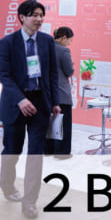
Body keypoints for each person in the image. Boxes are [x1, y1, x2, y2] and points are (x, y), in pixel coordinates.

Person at [0, 0, 61, 220]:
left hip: (40, 104)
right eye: (34, 15)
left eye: (41, 15)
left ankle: (30, 201)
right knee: (12, 150)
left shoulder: (47, 41)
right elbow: (4, 75)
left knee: (35, 153)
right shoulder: (7, 43)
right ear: (22, 17)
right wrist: (21, 100)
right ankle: (6, 183)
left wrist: (55, 101)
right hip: (16, 104)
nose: (39, 19)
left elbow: (52, 74)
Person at [45, 27, 74, 158]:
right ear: (63, 38)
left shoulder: (46, 47)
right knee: (64, 124)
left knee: (49, 123)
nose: (69, 43)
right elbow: (69, 71)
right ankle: (62, 153)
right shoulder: (63, 50)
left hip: (47, 93)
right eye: (69, 40)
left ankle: (48, 150)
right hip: (61, 93)